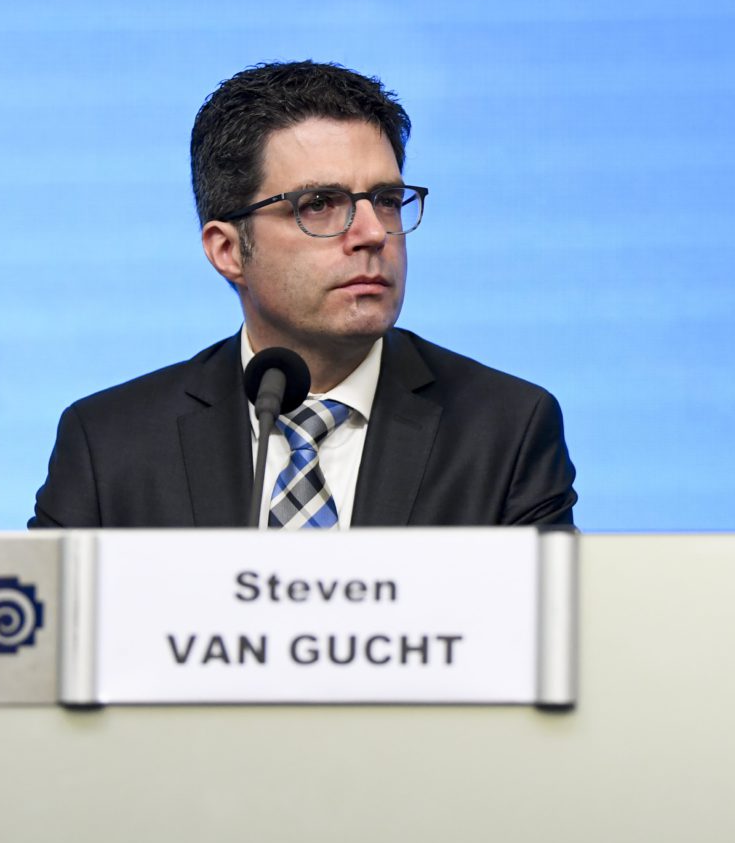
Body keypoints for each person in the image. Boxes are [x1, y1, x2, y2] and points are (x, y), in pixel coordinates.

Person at [31, 61, 577, 528]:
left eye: (387, 200)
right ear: (227, 250)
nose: (372, 233)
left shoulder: (505, 430)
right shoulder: (110, 445)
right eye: (319, 204)